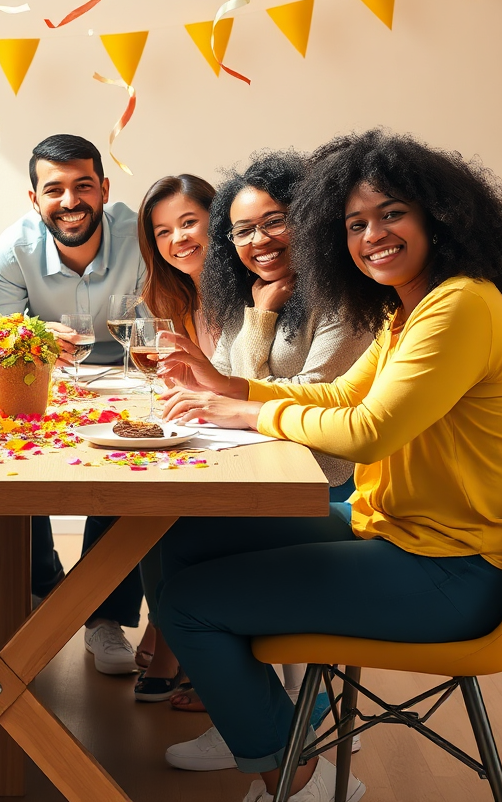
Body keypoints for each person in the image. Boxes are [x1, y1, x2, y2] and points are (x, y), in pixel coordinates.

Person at [157, 129, 502, 802]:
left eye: (391, 213)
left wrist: (244, 414)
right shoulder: (410, 309)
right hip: (390, 531)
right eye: (354, 223)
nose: (372, 234)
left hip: (450, 570)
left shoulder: (462, 305)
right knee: (182, 533)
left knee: (188, 605)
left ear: (439, 213)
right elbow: (345, 393)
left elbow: (369, 430)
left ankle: (297, 779)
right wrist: (230, 388)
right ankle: (260, 723)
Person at [151, 153, 371, 738]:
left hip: (325, 478)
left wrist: (261, 319)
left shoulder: (344, 299)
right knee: (171, 530)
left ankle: (271, 716)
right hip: (271, 461)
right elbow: (225, 378)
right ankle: (245, 708)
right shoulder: (259, 291)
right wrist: (258, 317)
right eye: (244, 230)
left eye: (275, 221)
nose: (259, 240)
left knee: (186, 538)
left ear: (311, 217)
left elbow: (318, 394)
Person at [0, 133, 147, 675]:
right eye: (55, 190)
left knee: (127, 470)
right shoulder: (15, 246)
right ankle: (33, 580)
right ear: (34, 199)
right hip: (47, 376)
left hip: (130, 378)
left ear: (104, 190)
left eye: (83, 187)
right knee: (10, 445)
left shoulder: (141, 237)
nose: (70, 201)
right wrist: (33, 331)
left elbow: (166, 323)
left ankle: (106, 615)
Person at [132, 174, 216, 699]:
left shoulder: (251, 289)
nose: (177, 240)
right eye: (163, 232)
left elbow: (242, 379)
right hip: (216, 430)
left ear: (218, 219)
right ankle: (167, 635)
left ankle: (172, 642)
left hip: (259, 444)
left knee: (165, 516)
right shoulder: (183, 294)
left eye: (189, 223)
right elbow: (200, 377)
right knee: (143, 510)